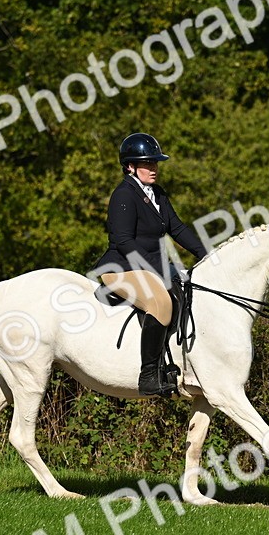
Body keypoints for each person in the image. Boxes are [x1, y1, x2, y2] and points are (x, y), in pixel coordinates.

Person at [93, 132, 208, 396]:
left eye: (155, 163)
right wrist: (156, 271)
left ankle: (172, 363)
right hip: (121, 268)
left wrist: (207, 255)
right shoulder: (123, 195)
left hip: (150, 265)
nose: (153, 168)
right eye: (147, 164)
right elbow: (122, 240)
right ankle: (148, 375)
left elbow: (177, 228)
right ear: (130, 167)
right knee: (161, 302)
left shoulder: (157, 194)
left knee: (186, 295)